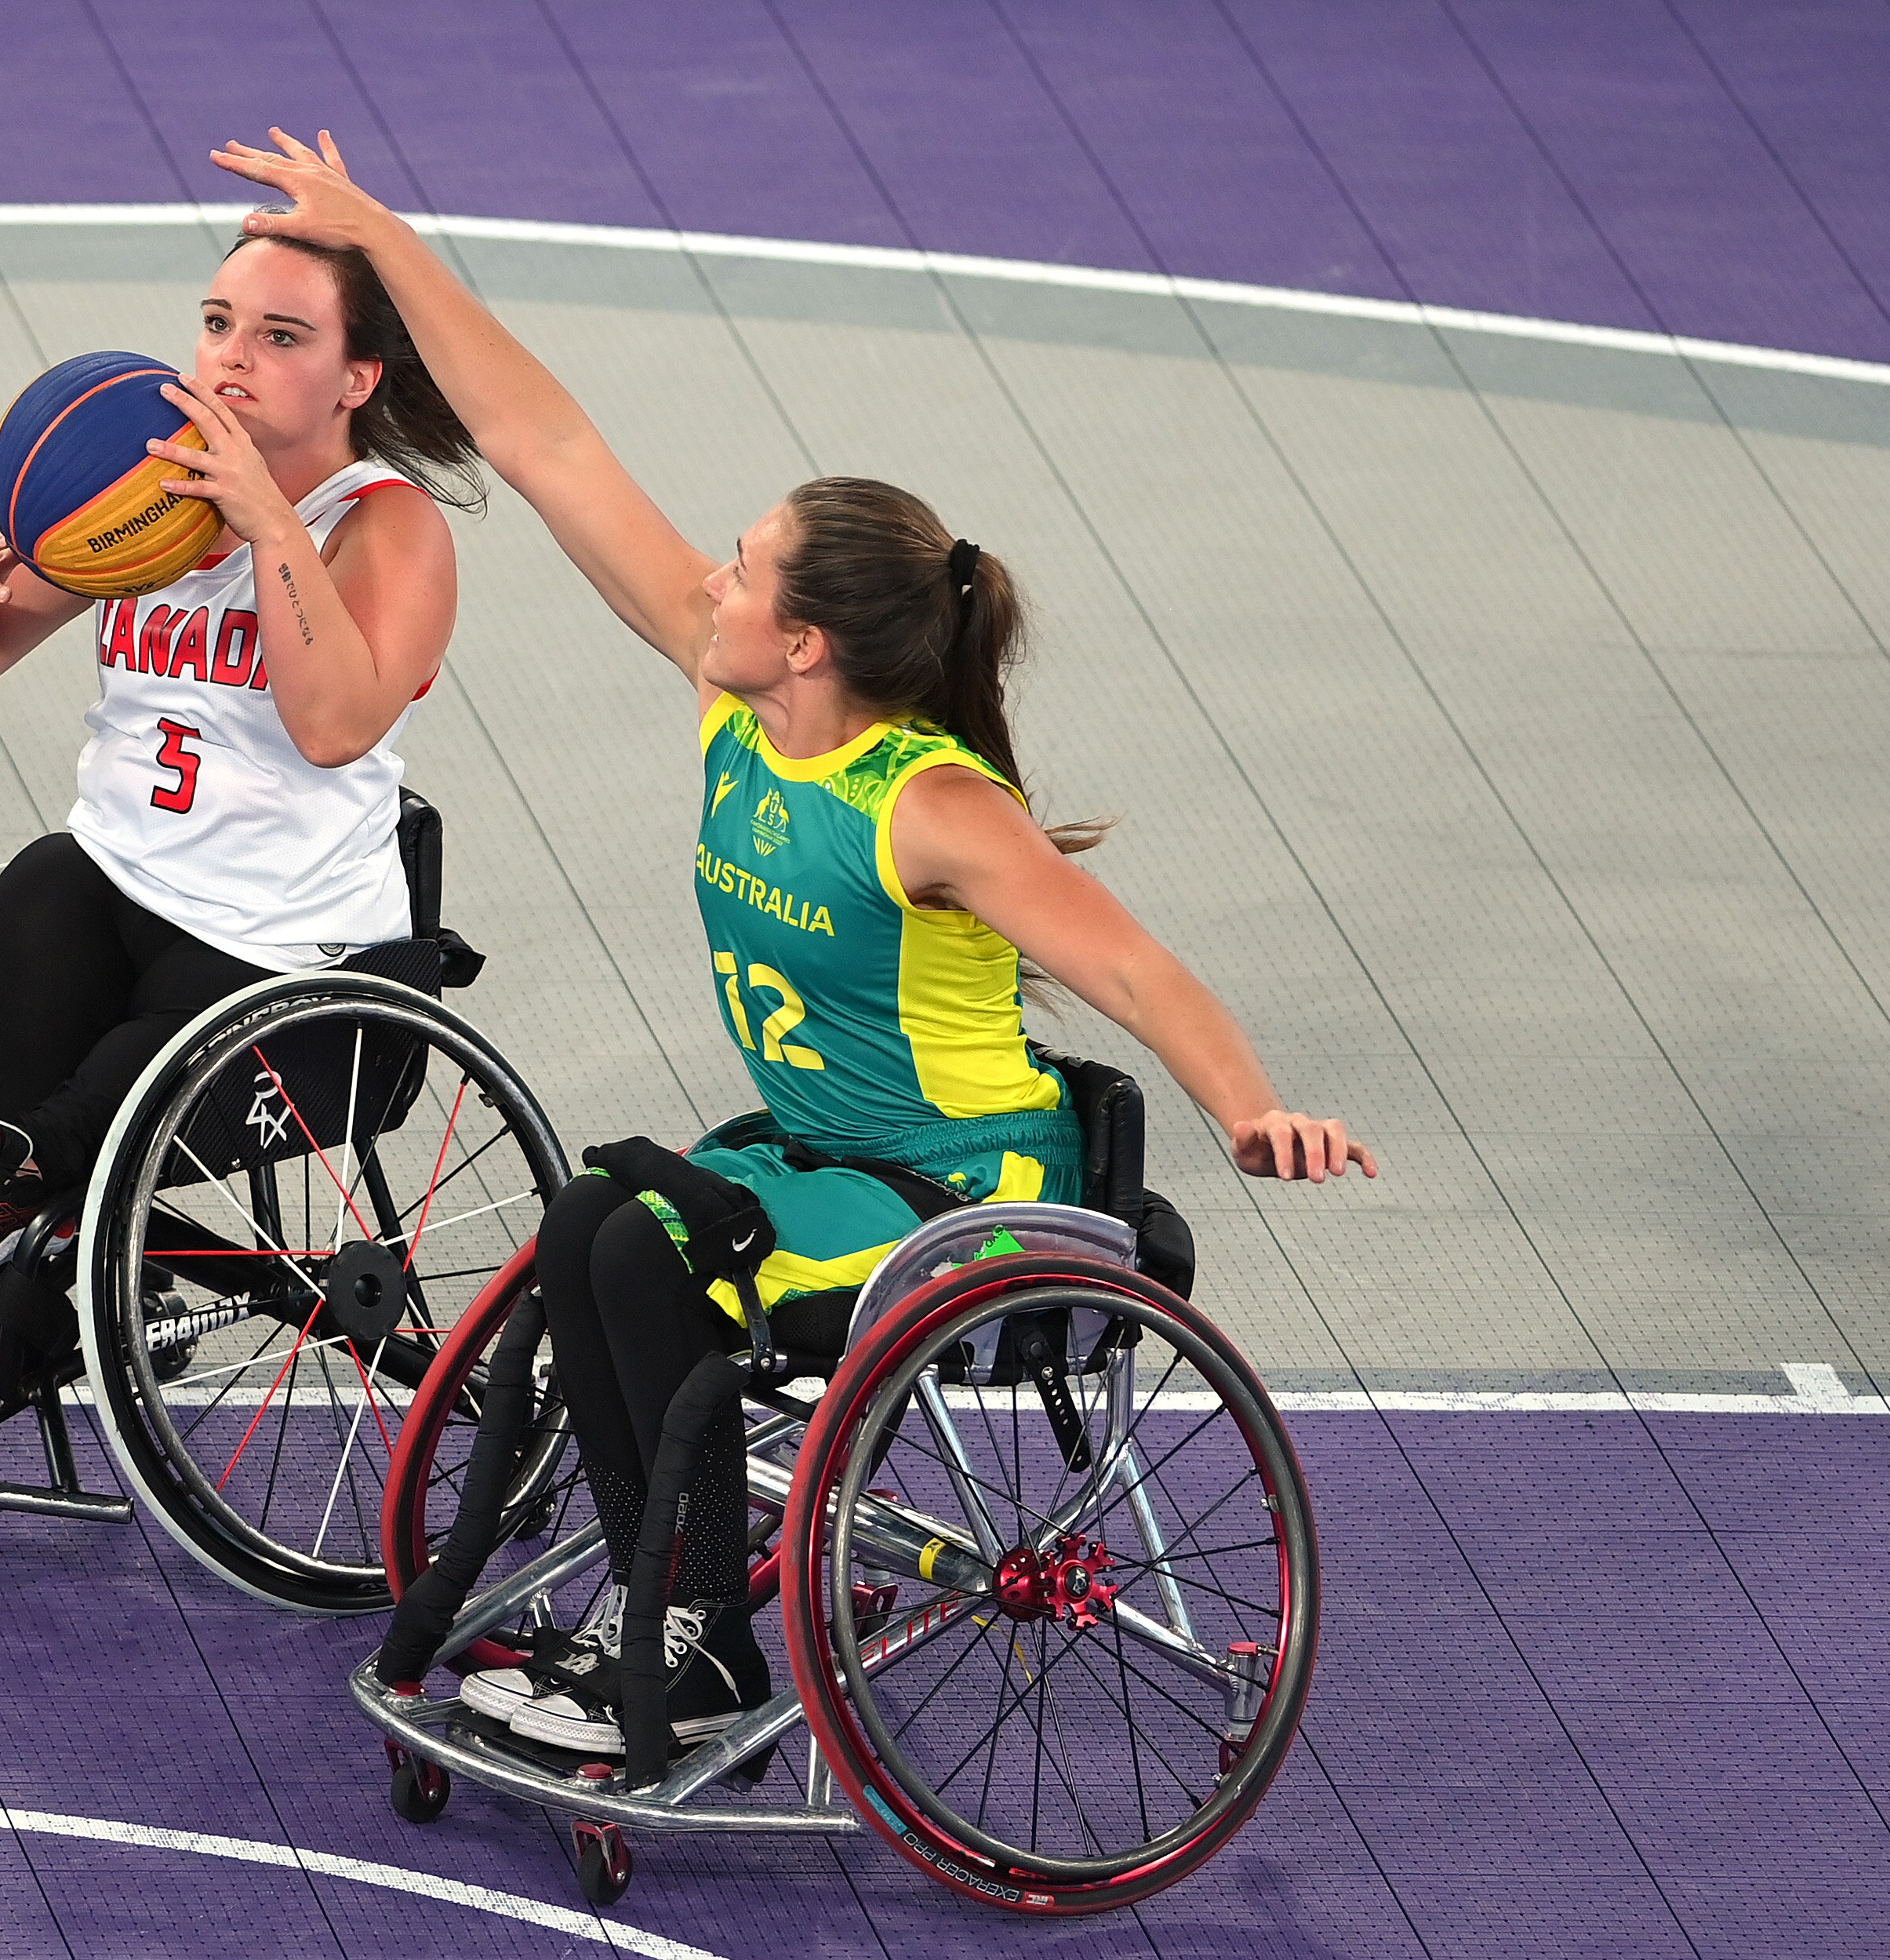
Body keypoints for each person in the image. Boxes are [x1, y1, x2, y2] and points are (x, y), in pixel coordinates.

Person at [215, 128, 1376, 1759]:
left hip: (972, 1195)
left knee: (648, 1260)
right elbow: (543, 440)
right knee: (590, 1230)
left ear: (807, 640)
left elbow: (1132, 971)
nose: (714, 578)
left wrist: (1253, 1107)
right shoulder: (737, 703)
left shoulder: (931, 806)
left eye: (744, 569)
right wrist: (382, 235)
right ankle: (665, 1601)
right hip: (823, 1155)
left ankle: (686, 1644)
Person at [0, 218, 478, 1390]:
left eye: (279, 335)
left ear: (355, 379)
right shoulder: (150, 495)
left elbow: (333, 726)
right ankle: (13, 1247)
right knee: (42, 881)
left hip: (285, 954)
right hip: (120, 888)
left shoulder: (387, 526)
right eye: (218, 324)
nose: (229, 357)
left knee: (152, 1026)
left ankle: (7, 1199)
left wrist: (269, 526)